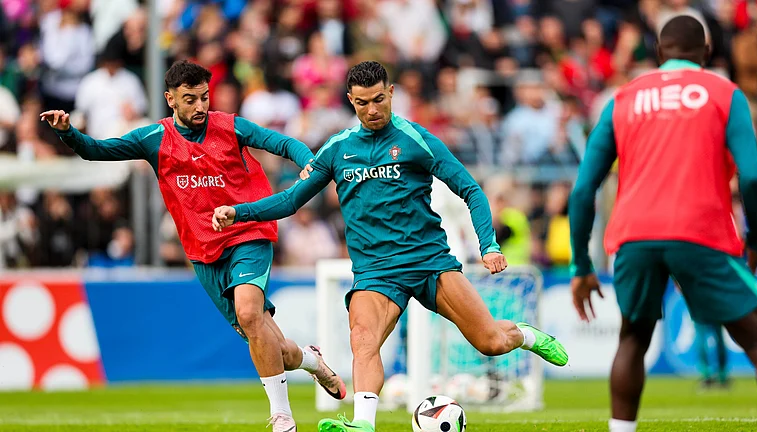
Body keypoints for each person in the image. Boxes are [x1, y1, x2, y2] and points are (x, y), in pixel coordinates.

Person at [212, 60, 569, 432]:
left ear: (392, 93)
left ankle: (526, 335)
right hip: (376, 273)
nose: (373, 109)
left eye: (380, 99)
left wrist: (489, 244)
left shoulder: (416, 140)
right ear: (351, 101)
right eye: (363, 102)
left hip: (431, 264)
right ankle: (363, 424)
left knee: (491, 342)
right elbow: (289, 201)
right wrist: (239, 212)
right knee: (362, 339)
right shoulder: (338, 149)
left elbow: (471, 189)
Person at [40, 59, 345, 432]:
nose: (200, 106)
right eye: (190, 99)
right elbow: (97, 150)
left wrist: (308, 163)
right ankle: (312, 362)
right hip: (203, 251)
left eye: (204, 97)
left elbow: (280, 141)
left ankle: (282, 417)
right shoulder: (154, 139)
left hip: (248, 231)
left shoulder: (229, 126)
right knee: (273, 346)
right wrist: (68, 131)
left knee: (250, 314)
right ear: (170, 99)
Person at [568, 16, 757, 432]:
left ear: (659, 54)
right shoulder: (724, 93)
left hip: (635, 236)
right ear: (707, 54)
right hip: (702, 232)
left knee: (632, 341)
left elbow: (584, 189)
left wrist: (582, 267)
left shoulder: (622, 98)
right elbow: (751, 176)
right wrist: (755, 236)